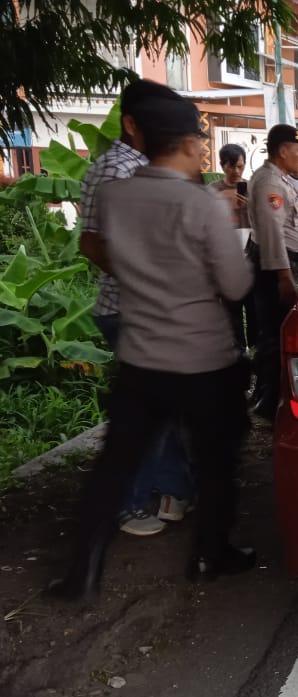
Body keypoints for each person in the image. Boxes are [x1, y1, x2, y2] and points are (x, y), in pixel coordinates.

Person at [47, 95, 255, 600]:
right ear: (186, 144)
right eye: (200, 144)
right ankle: (210, 555)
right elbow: (235, 285)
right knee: (215, 464)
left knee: (114, 465)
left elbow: (113, 258)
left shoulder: (118, 197)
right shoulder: (200, 202)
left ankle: (83, 572)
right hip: (203, 361)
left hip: (141, 357)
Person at [79, 78, 195, 537]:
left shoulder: (147, 167)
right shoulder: (118, 171)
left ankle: (174, 489)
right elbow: (92, 244)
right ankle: (126, 504)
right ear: (132, 123)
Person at [247, 124, 298, 421]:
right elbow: (272, 233)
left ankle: (266, 397)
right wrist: (285, 277)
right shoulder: (271, 183)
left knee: (272, 332)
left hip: (277, 263)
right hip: (275, 268)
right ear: (282, 151)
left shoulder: (277, 178)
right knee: (275, 334)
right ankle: (269, 403)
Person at [209, 143, 257, 357]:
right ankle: (240, 352)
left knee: (254, 307)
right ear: (222, 166)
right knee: (232, 309)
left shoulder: (252, 188)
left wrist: (251, 206)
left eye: (240, 166)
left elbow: (265, 222)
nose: (237, 172)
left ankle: (256, 350)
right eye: (232, 167)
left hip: (251, 254)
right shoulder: (213, 191)